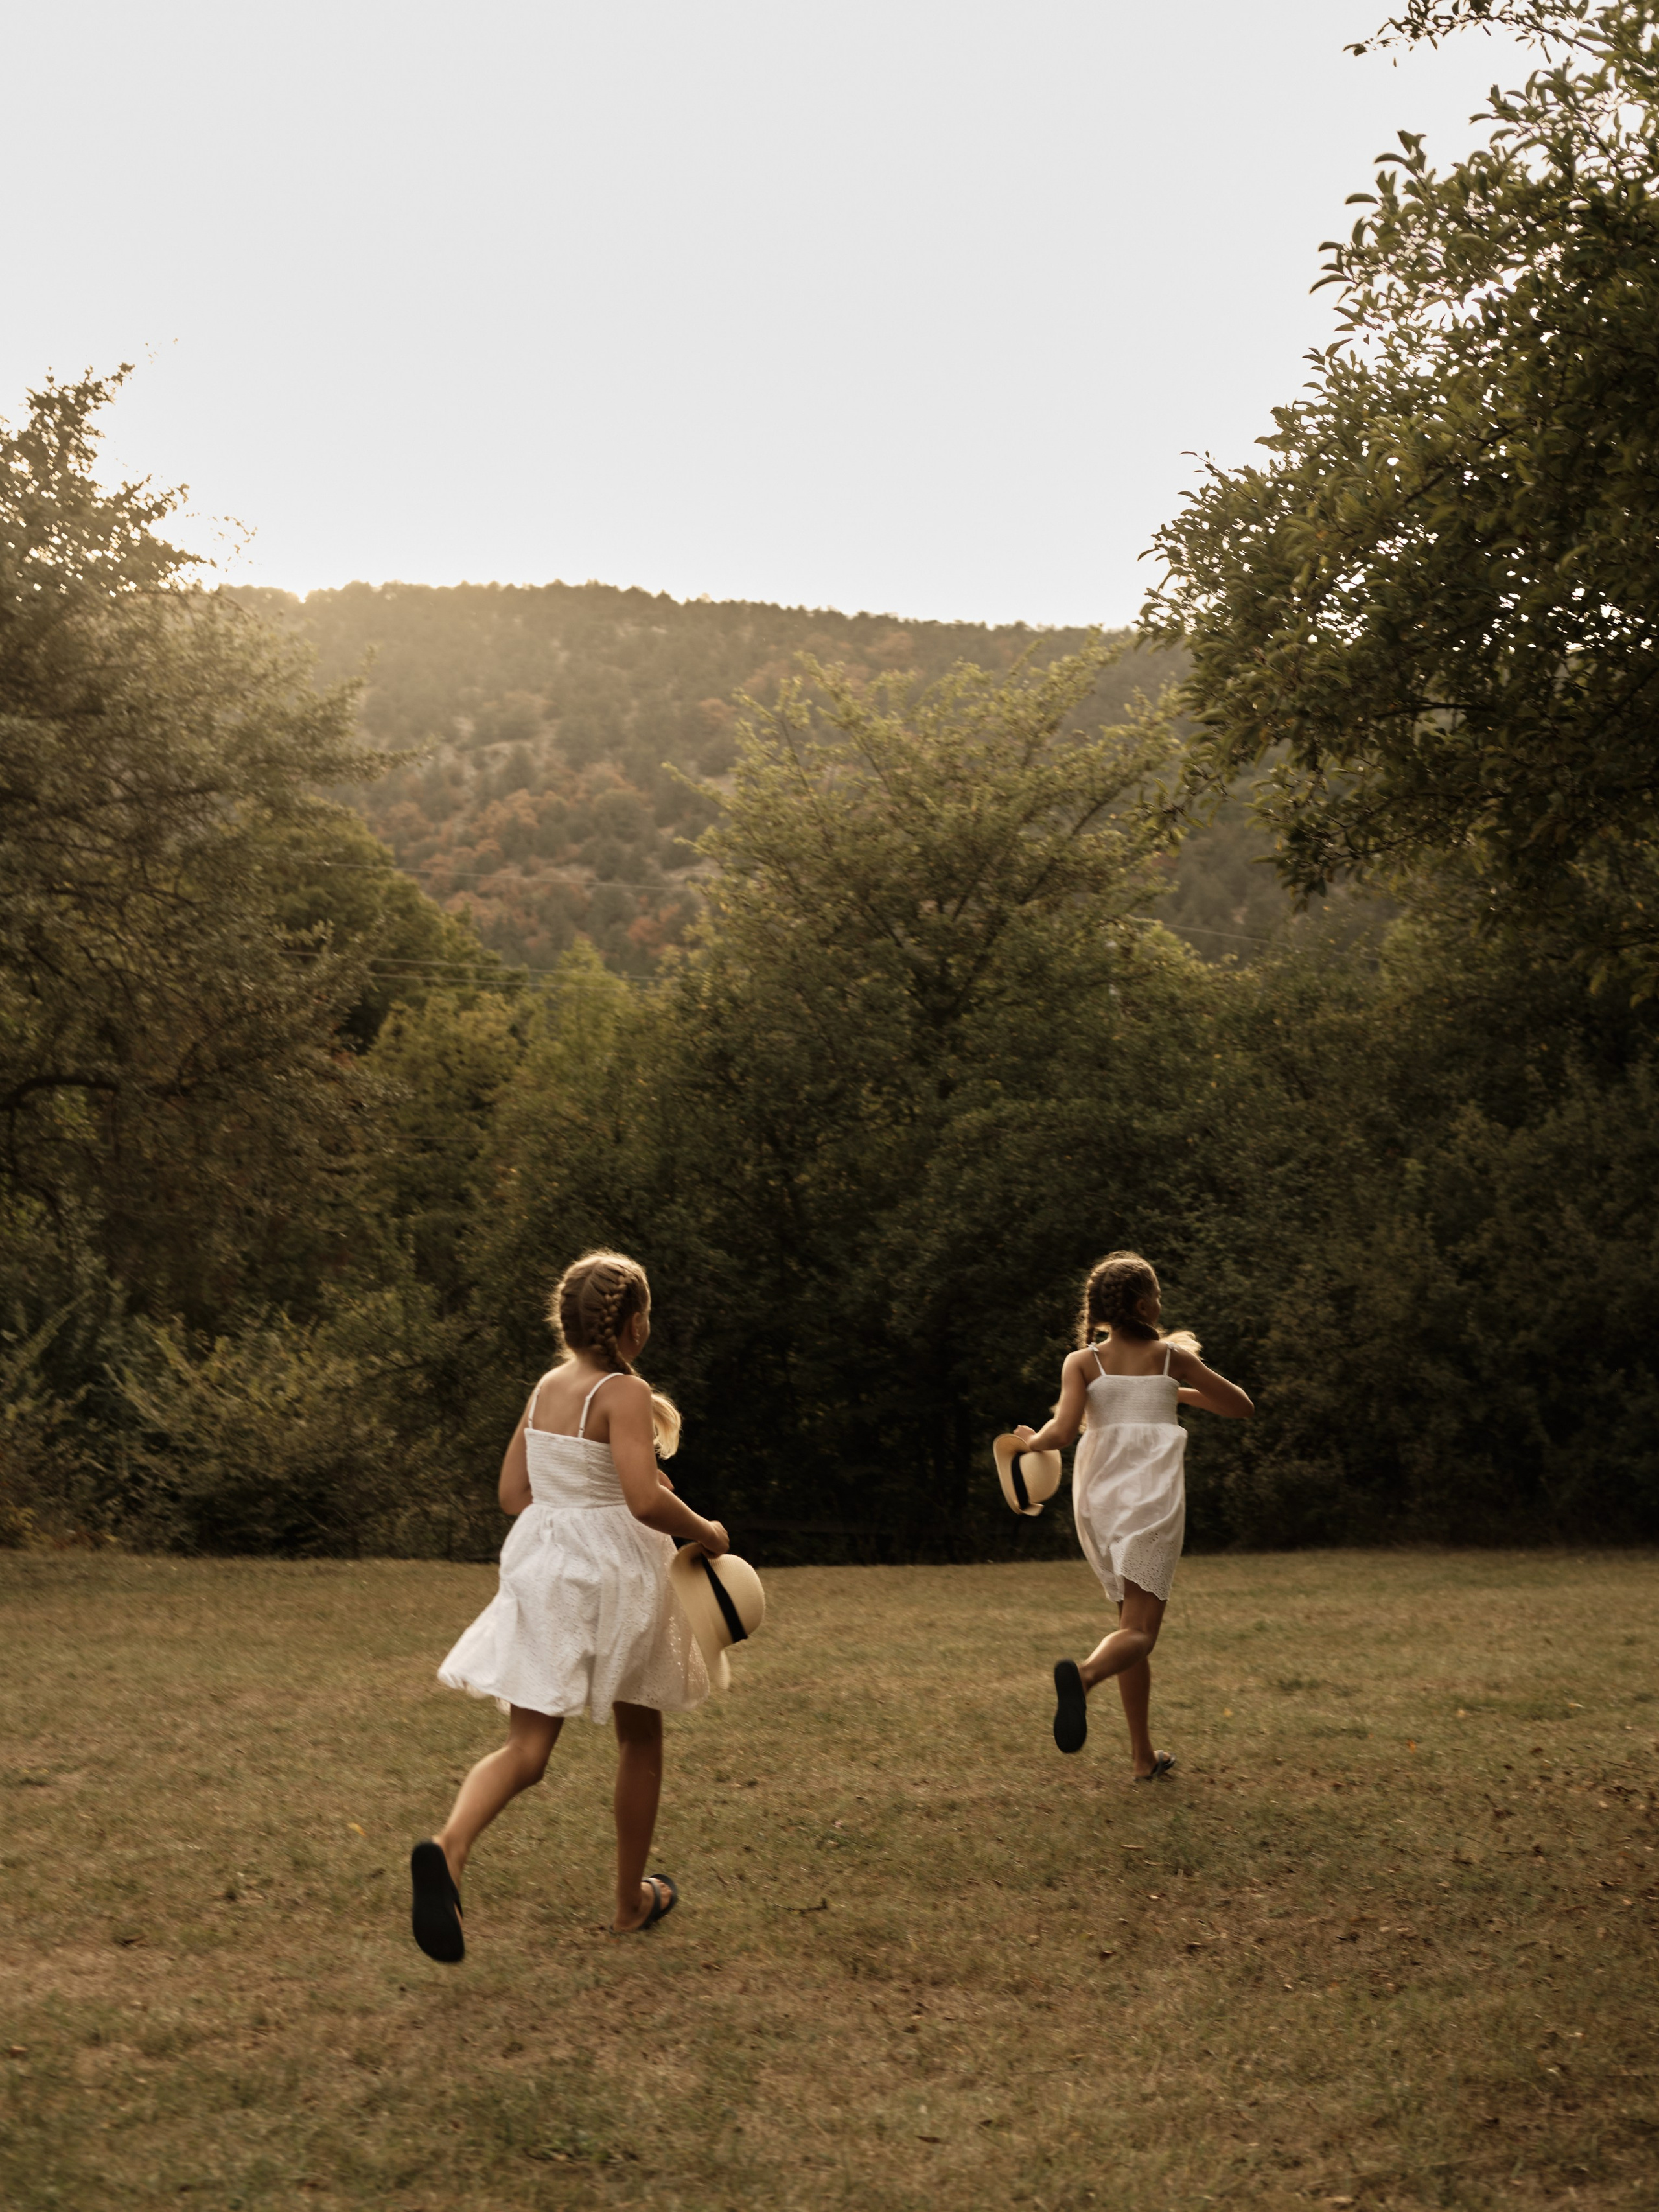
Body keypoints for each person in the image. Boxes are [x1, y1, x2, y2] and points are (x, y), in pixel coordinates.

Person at [410, 1249, 728, 1959]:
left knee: (527, 1749)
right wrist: (704, 1529)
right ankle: (627, 1903)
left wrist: (569, 1507)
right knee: (639, 1736)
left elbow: (512, 1495)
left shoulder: (547, 1387)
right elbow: (644, 1499)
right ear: (634, 1323)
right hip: (613, 1576)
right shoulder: (623, 1391)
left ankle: (449, 1845)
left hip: (545, 1569)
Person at [1010, 1250, 1252, 1772]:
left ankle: (1144, 1756)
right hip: (1151, 1501)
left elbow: (1061, 1430)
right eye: (1159, 1296)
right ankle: (1086, 1675)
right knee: (1141, 1631)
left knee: (1127, 1624)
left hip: (1098, 1501)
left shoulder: (1083, 1362)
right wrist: (1177, 1390)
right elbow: (1241, 1405)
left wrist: (1030, 1445)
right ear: (1144, 1305)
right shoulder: (1170, 1357)